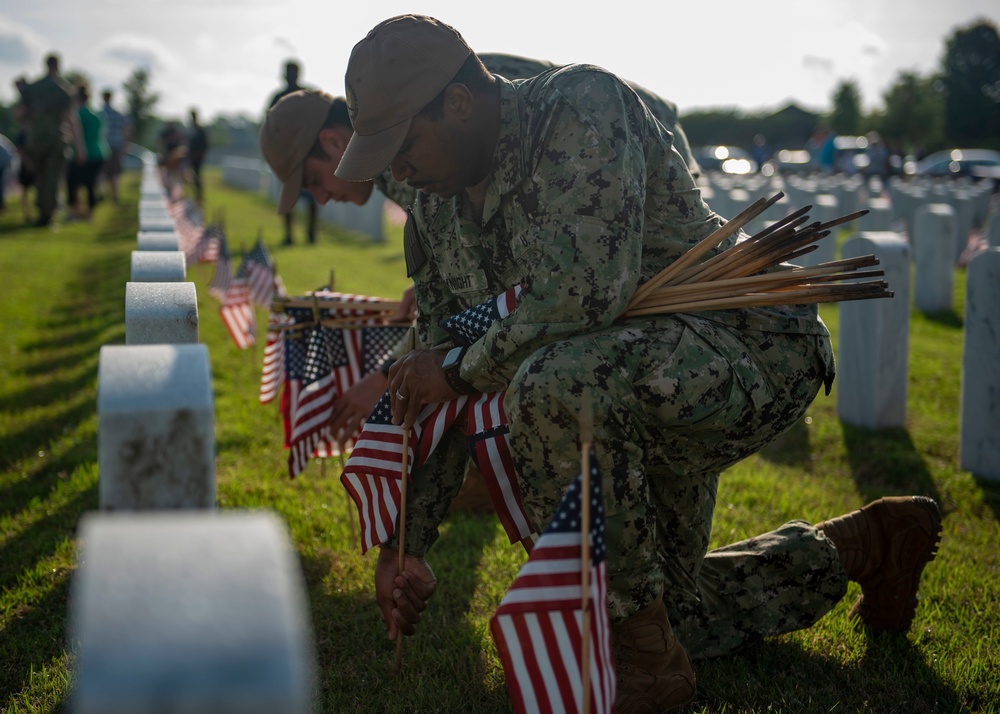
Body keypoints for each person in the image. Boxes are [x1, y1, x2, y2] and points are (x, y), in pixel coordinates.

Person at [259, 55, 703, 440]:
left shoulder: (412, 141)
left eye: (314, 181)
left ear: (334, 143)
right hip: (606, 138)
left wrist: (385, 379)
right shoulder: (405, 141)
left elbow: (549, 290)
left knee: (601, 324)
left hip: (636, 147)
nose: (318, 198)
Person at [267, 60, 318, 245]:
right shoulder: (278, 98)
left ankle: (311, 235)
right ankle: (289, 236)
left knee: (312, 196)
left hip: (307, 153)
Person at [21, 53, 75, 227]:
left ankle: (42, 210)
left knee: (40, 176)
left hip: (36, 139)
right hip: (55, 139)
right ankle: (48, 214)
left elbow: (22, 114)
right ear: (57, 66)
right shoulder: (64, 89)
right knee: (52, 178)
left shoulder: (33, 88)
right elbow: (68, 116)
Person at [66, 83, 108, 221]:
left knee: (72, 183)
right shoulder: (96, 115)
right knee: (90, 184)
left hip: (83, 153)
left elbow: (76, 136)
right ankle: (90, 213)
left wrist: (79, 151)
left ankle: (74, 211)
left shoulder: (78, 114)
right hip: (99, 152)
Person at [99, 89, 131, 204]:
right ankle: (114, 195)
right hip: (116, 146)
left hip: (102, 146)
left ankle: (100, 194)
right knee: (114, 172)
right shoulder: (118, 115)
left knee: (101, 171)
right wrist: (125, 145)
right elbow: (126, 130)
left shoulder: (99, 113)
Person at [187, 108, 209, 203]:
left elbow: (205, 144)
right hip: (191, 157)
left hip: (198, 157)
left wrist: (200, 154)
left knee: (197, 175)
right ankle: (195, 194)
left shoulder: (200, 131)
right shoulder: (191, 129)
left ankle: (199, 194)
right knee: (192, 175)